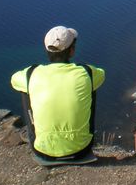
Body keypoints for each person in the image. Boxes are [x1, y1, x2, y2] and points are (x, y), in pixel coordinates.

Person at [11, 25, 105, 161]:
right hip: (81, 149)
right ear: (71, 51)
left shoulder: (32, 73)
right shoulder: (86, 72)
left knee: (26, 87)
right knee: (90, 85)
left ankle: (35, 131)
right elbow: (102, 75)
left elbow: (14, 80)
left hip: (43, 151)